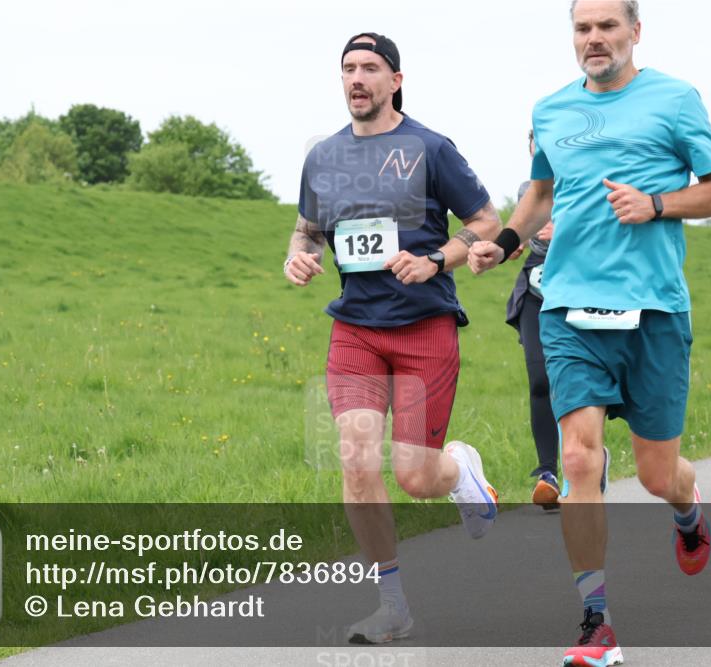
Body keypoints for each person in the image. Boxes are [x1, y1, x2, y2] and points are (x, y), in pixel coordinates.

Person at [468, 2, 711, 665]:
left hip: (653, 311)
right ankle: (595, 621)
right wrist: (502, 243)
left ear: (634, 32)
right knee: (580, 458)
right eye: (582, 28)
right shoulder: (552, 108)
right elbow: (540, 194)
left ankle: (686, 503)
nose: (594, 39)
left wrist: (658, 204)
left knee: (656, 472)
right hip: (568, 307)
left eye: (607, 26)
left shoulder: (675, 99)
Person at [285, 32, 502, 645]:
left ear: (395, 80)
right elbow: (306, 231)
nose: (358, 79)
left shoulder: (431, 148)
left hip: (424, 326)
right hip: (355, 328)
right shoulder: (323, 156)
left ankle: (458, 467)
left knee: (414, 476)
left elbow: (486, 225)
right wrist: (298, 259)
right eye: (349, 69)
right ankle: (391, 605)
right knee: (356, 458)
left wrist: (437, 259)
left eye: (371, 69)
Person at [506, 130, 609, 510]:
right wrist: (510, 245)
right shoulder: (526, 191)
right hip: (537, 289)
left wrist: (562, 231)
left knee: (579, 385)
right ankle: (546, 472)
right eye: (535, 148)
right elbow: (519, 236)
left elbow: (603, 234)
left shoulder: (590, 186)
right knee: (540, 380)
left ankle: (585, 463)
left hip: (583, 288)